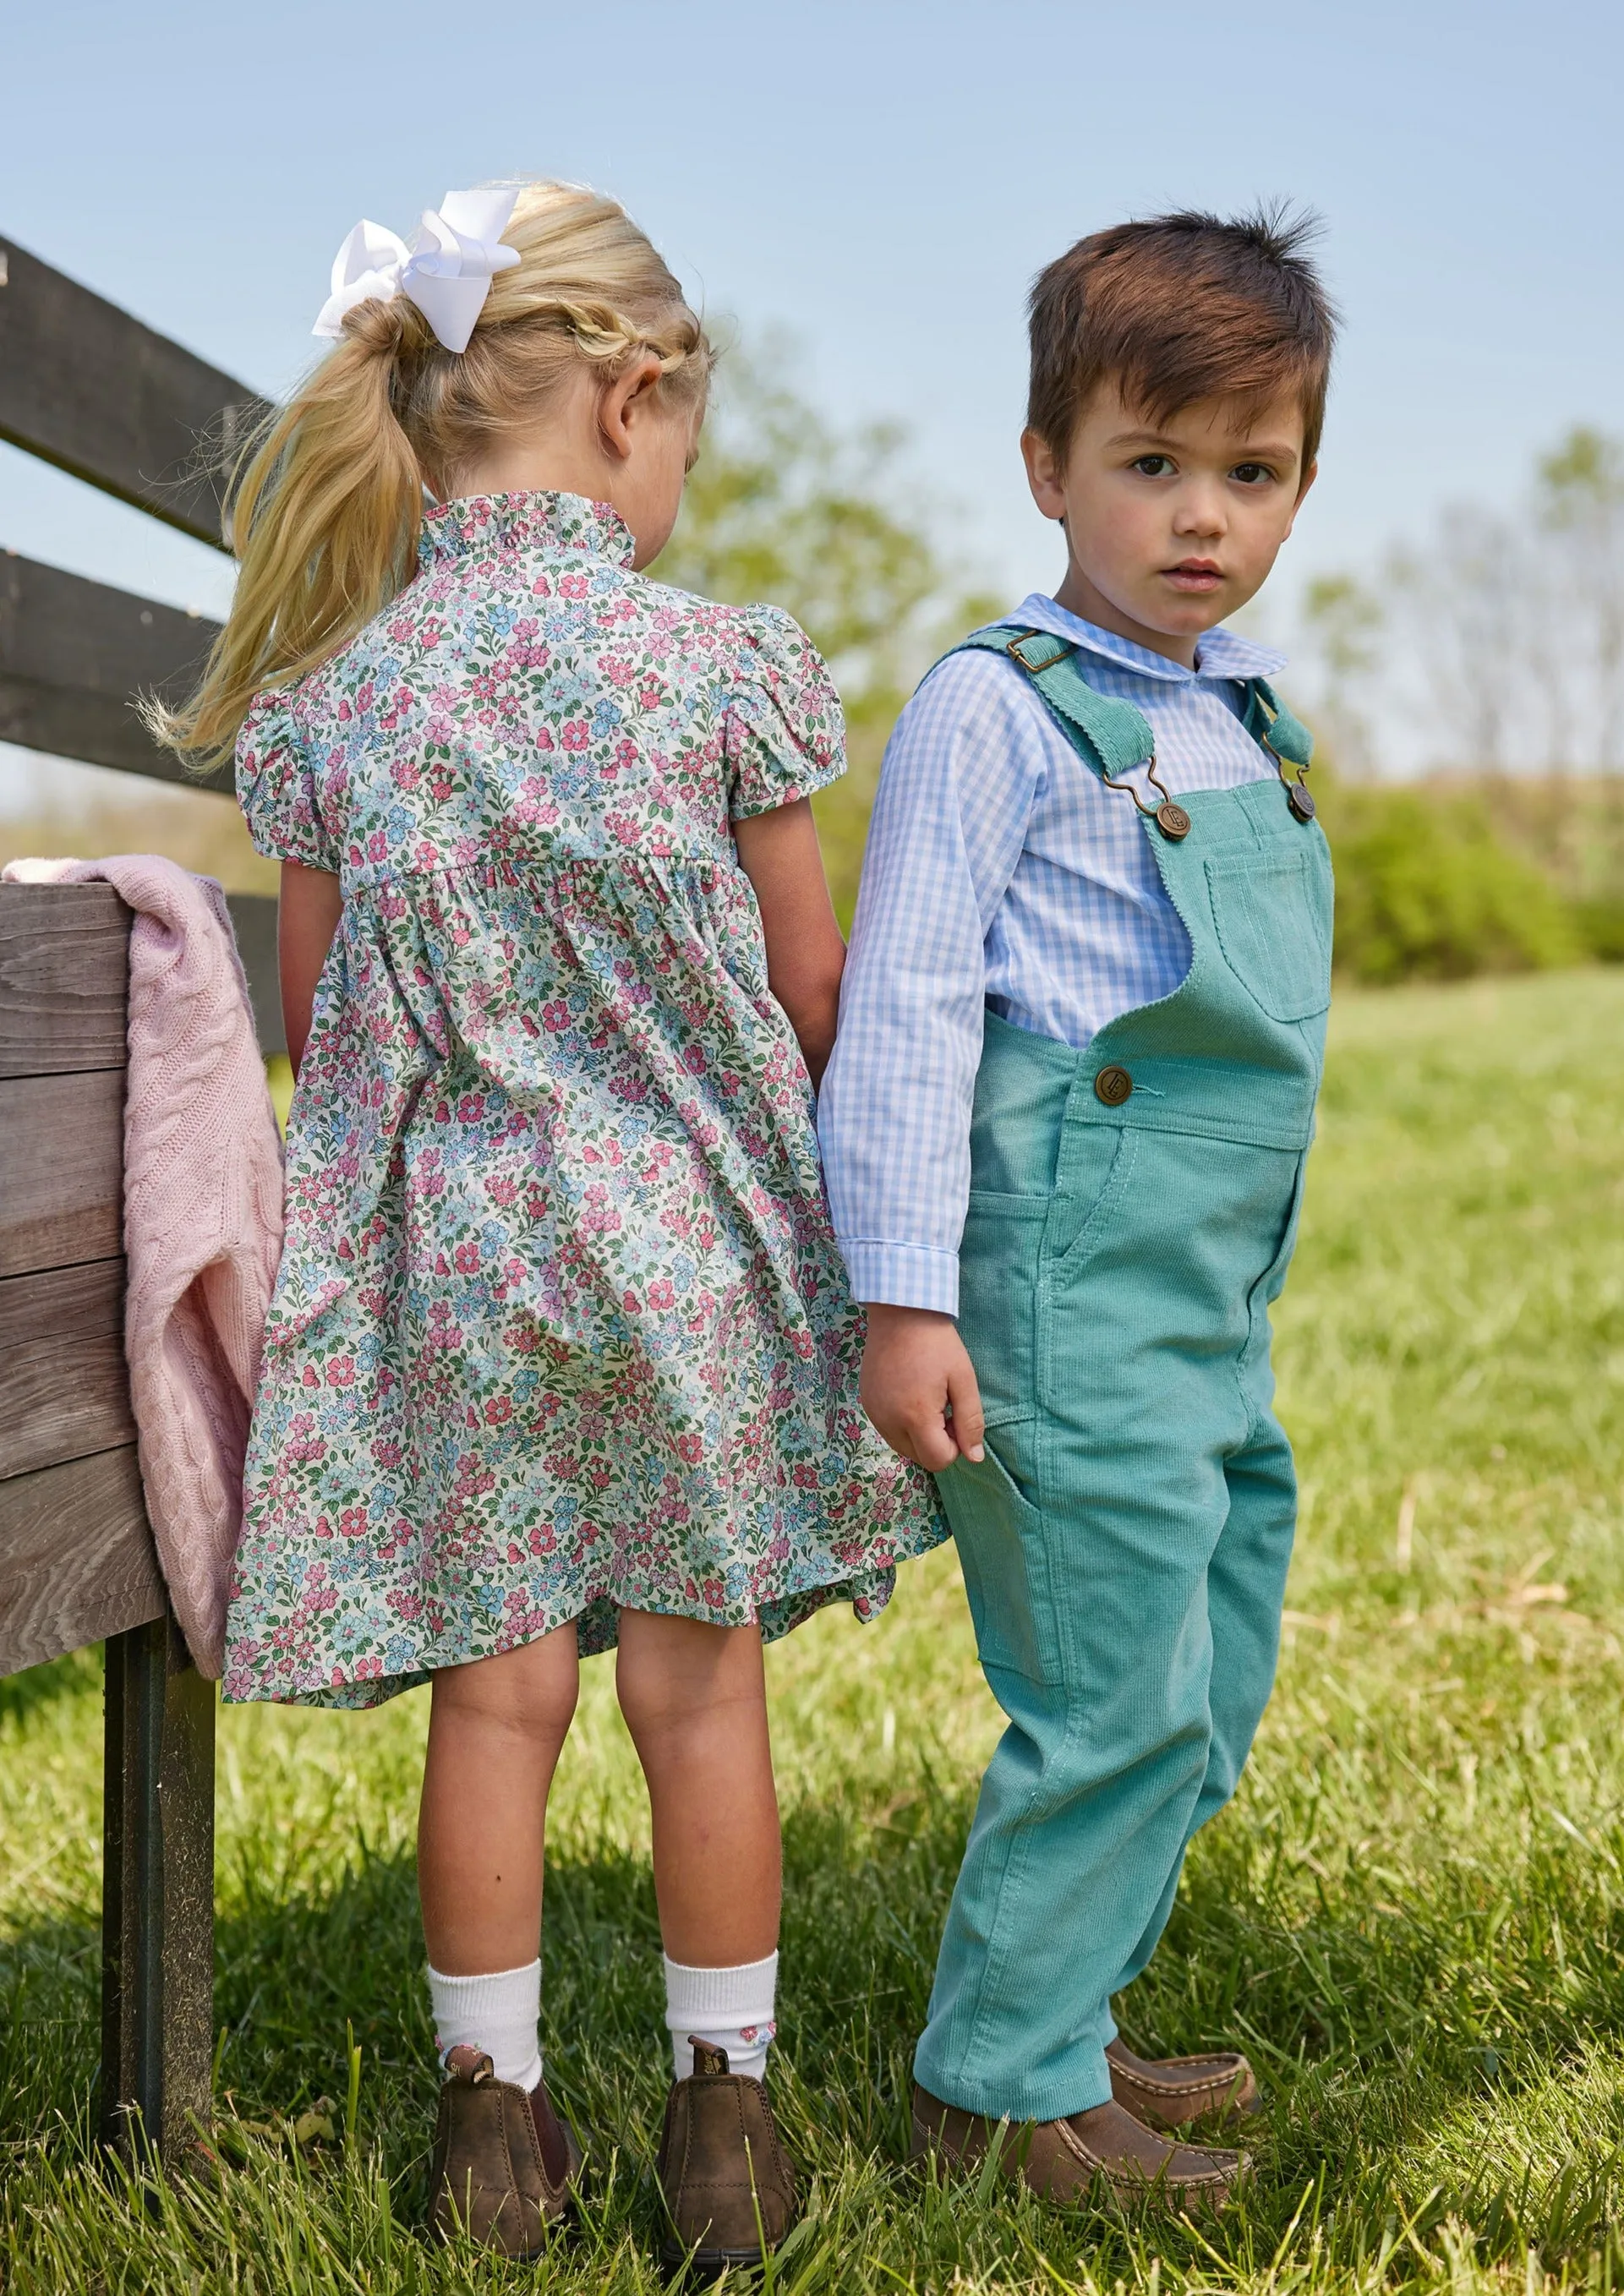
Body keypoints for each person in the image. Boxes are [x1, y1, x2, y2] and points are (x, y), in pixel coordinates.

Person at [156, 178, 943, 2272]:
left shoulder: (341, 704)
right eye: (686, 434)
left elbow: (318, 1016)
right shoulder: (718, 667)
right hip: (681, 1248)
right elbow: (807, 984)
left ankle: (489, 2127)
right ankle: (728, 2120)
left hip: (465, 1264)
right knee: (700, 1695)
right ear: (629, 398)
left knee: (495, 1707)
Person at [818, 207, 1337, 2208]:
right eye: (1152, 462)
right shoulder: (997, 707)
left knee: (1208, 1645)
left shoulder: (1247, 719)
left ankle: (1080, 1992)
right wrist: (901, 1295)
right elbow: (912, 1006)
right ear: (1048, 466)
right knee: (1112, 1678)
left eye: (1253, 470)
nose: (1200, 515)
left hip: (1198, 1293)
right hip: (1048, 1285)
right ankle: (1002, 2086)